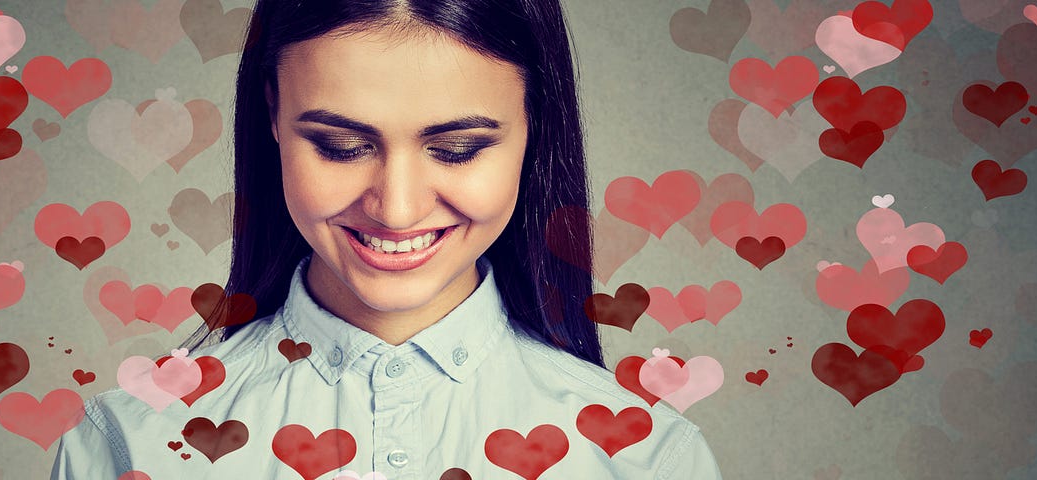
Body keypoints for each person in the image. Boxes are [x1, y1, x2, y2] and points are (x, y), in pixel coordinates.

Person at [51, 0, 721, 478]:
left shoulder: (649, 459)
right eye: (341, 147)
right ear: (272, 113)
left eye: (456, 149)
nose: (396, 210)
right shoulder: (129, 445)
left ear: (533, 124)